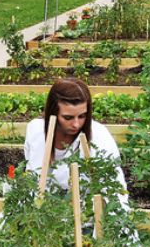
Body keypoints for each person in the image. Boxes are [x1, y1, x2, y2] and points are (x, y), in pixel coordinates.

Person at [24, 77, 130, 210]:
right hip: (44, 212)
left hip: (86, 211)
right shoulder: (36, 131)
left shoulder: (100, 137)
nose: (76, 124)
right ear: (53, 113)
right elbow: (31, 174)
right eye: (68, 117)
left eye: (82, 116)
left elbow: (115, 187)